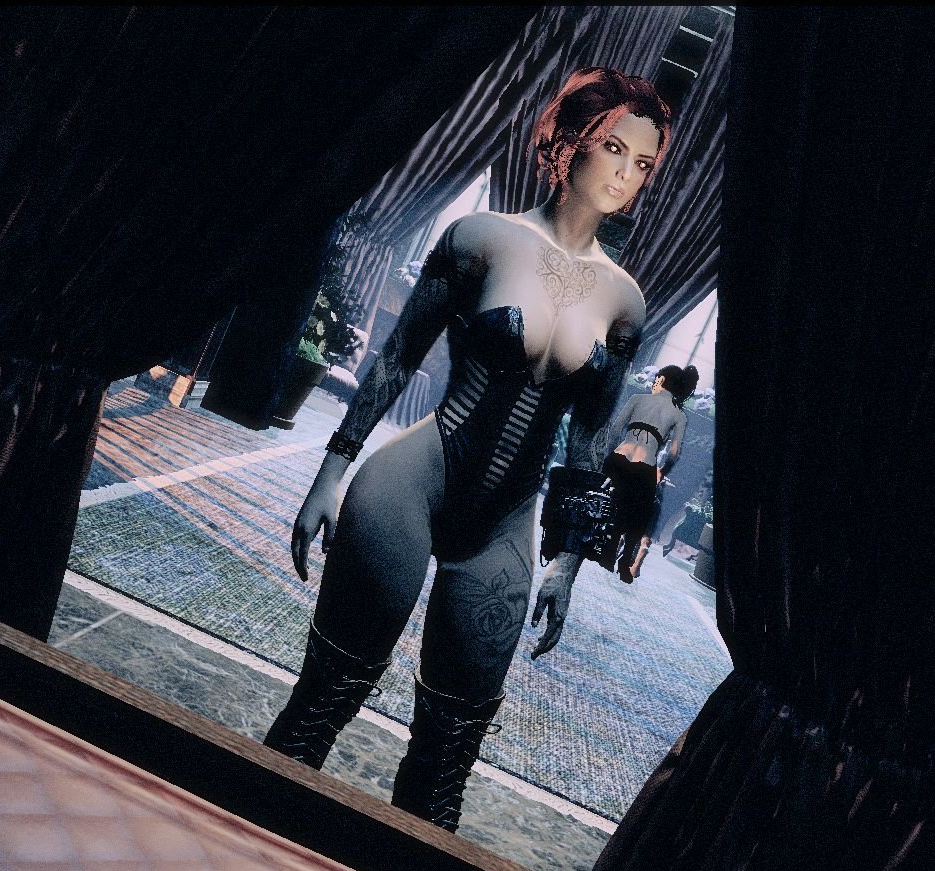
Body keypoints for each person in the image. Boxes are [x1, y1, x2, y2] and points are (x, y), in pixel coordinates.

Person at [263, 67, 673, 832]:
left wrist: (568, 562)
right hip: (408, 487)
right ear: (571, 140)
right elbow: (398, 357)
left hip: (504, 526)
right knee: (321, 706)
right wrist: (330, 473)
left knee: (446, 761)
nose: (626, 174)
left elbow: (588, 439)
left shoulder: (625, 302)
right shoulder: (482, 238)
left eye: (643, 163)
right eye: (614, 148)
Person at [601, 364, 699, 582]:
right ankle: (625, 563)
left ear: (661, 380)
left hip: (619, 460)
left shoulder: (637, 399)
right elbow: (674, 453)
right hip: (644, 466)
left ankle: (608, 553)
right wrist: (662, 471)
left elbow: (615, 430)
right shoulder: (678, 415)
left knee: (617, 504)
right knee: (640, 515)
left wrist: (610, 455)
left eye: (656, 379)